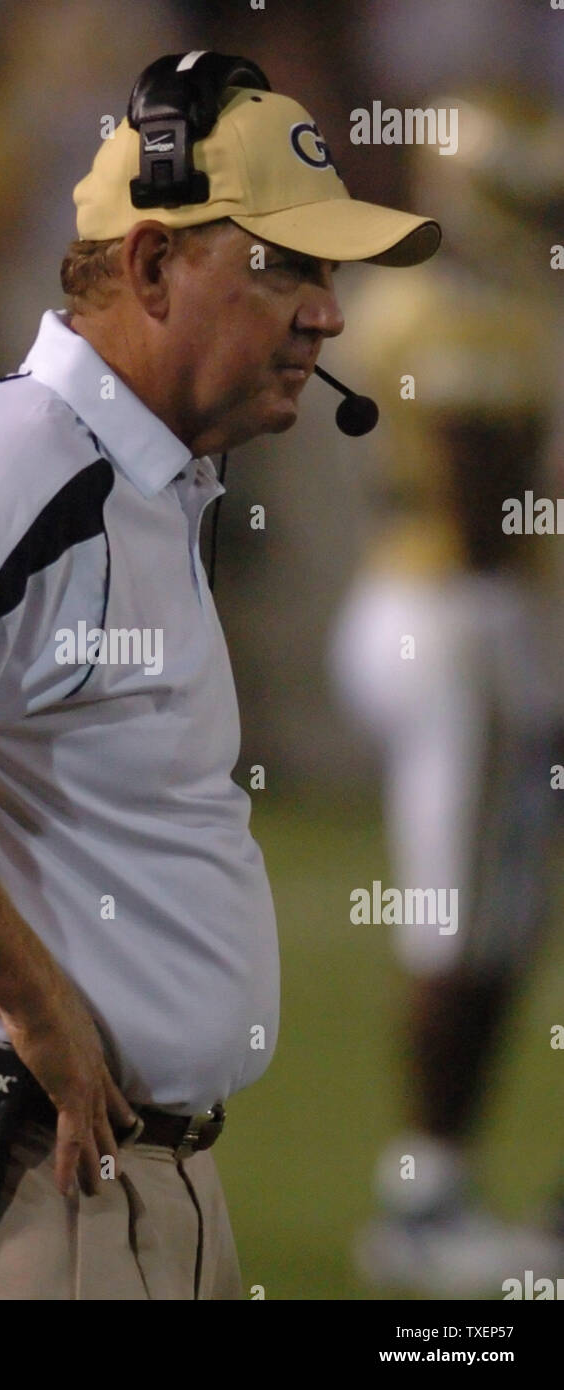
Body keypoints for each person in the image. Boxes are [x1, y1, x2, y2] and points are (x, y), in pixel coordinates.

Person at [0, 51, 439, 1301]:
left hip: (96, 1173)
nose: (327, 314)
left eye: (328, 271)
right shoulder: (35, 455)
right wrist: (34, 1000)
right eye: (283, 265)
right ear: (148, 263)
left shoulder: (142, 473)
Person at [328, 88, 564, 1295]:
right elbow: (483, 511)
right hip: (454, 620)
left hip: (482, 621)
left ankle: (456, 1189)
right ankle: (420, 1199)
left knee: (503, 919)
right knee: (461, 917)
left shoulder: (487, 301)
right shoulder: (453, 309)